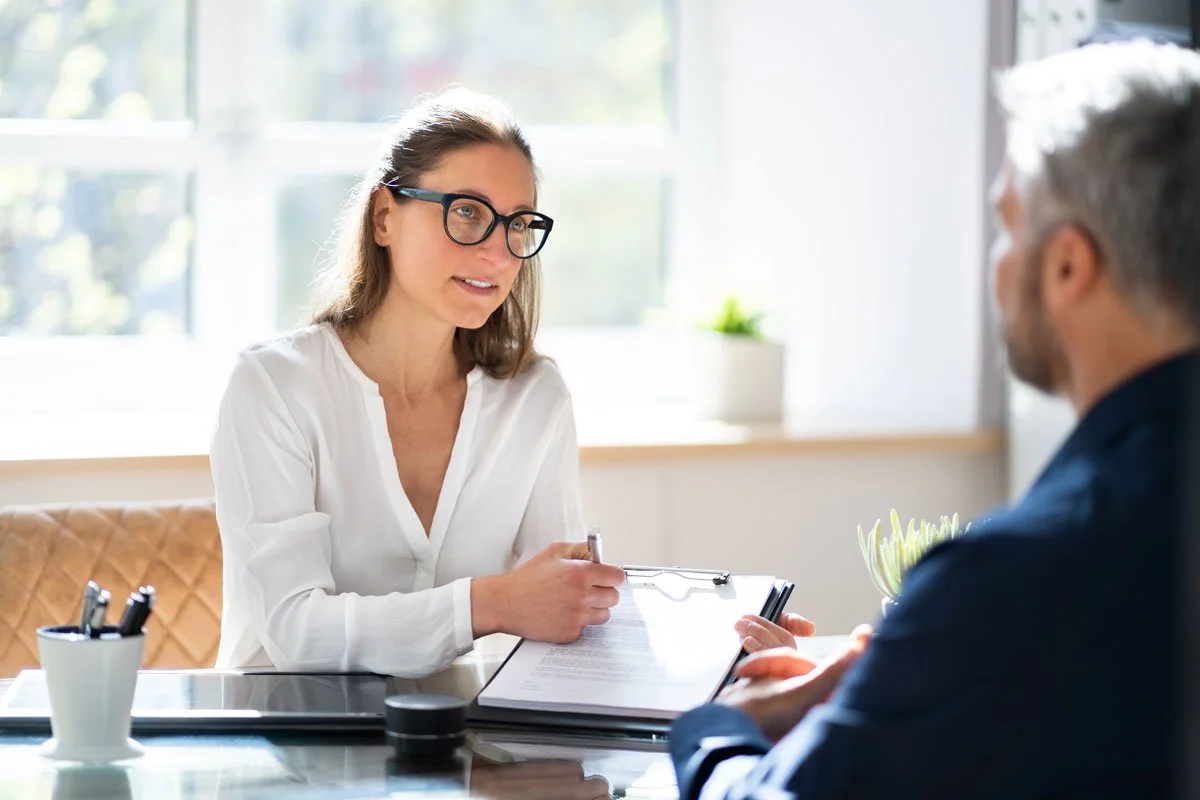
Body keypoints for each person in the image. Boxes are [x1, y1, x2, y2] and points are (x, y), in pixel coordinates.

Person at [671, 40, 1199, 799]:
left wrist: (719, 728)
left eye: (1009, 226)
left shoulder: (1015, 583)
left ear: (1067, 267)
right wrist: (896, 695)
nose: (997, 261)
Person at [209, 88, 625, 677]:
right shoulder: (273, 386)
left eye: (517, 224)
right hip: (287, 748)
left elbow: (561, 610)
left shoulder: (537, 397)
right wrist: (493, 603)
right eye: (467, 213)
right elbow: (296, 632)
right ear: (384, 217)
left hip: (460, 750)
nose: (498, 253)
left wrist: (719, 654)